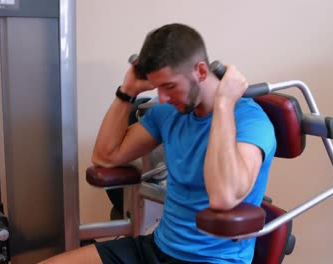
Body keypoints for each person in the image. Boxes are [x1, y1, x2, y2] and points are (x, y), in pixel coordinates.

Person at [42, 23, 276, 264]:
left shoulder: (251, 122)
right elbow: (106, 156)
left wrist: (224, 103)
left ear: (201, 72)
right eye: (158, 87)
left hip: (212, 259)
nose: (161, 98)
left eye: (169, 86)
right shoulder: (169, 112)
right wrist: (127, 92)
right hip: (154, 249)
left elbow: (223, 197)